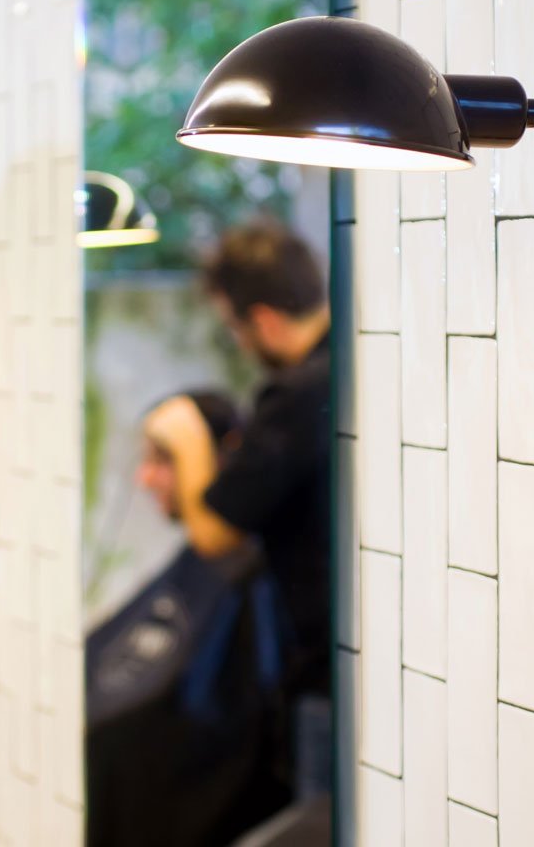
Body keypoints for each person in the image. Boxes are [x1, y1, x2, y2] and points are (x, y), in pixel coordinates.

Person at [163, 220, 332, 803]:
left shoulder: (297, 395)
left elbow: (214, 533)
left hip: (324, 674)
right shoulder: (350, 360)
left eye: (234, 328)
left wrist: (185, 438)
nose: (239, 342)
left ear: (263, 319)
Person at [85, 390, 290, 847]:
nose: (143, 477)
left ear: (225, 454)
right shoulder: (205, 570)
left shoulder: (250, 576)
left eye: (164, 458)